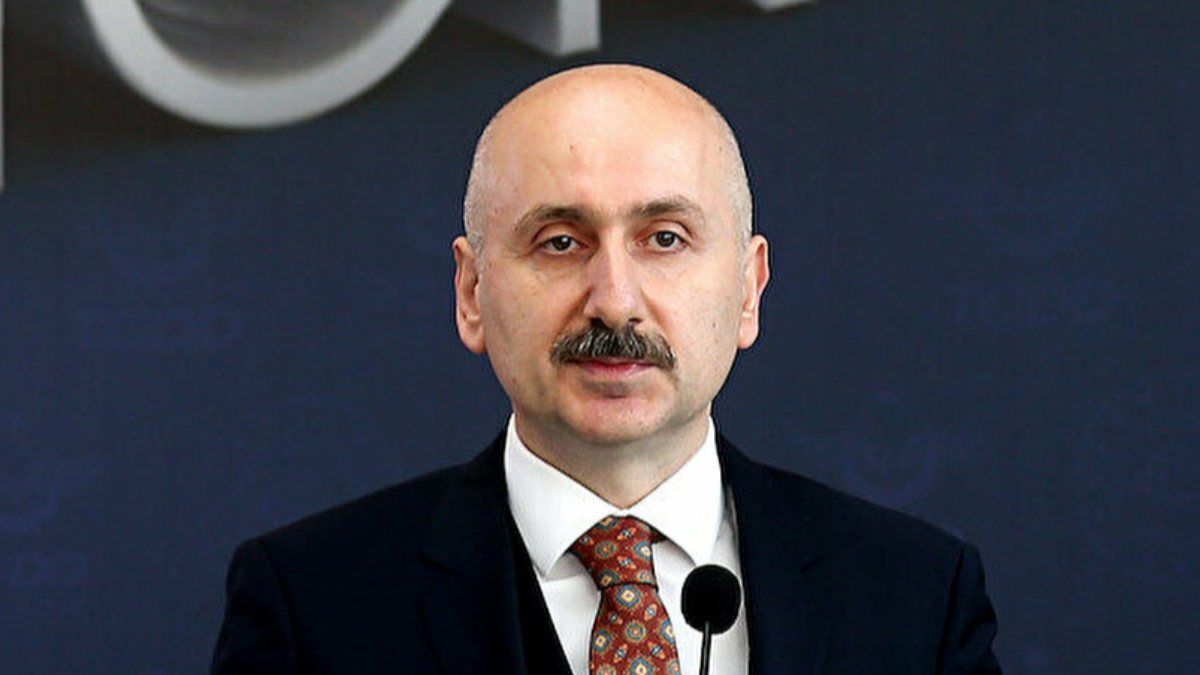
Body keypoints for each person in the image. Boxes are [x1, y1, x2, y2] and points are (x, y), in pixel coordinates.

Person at [211, 64, 1002, 675]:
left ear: (749, 290)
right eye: (561, 242)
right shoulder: (313, 604)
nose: (615, 301)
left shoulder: (915, 596)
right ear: (473, 292)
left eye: (665, 239)